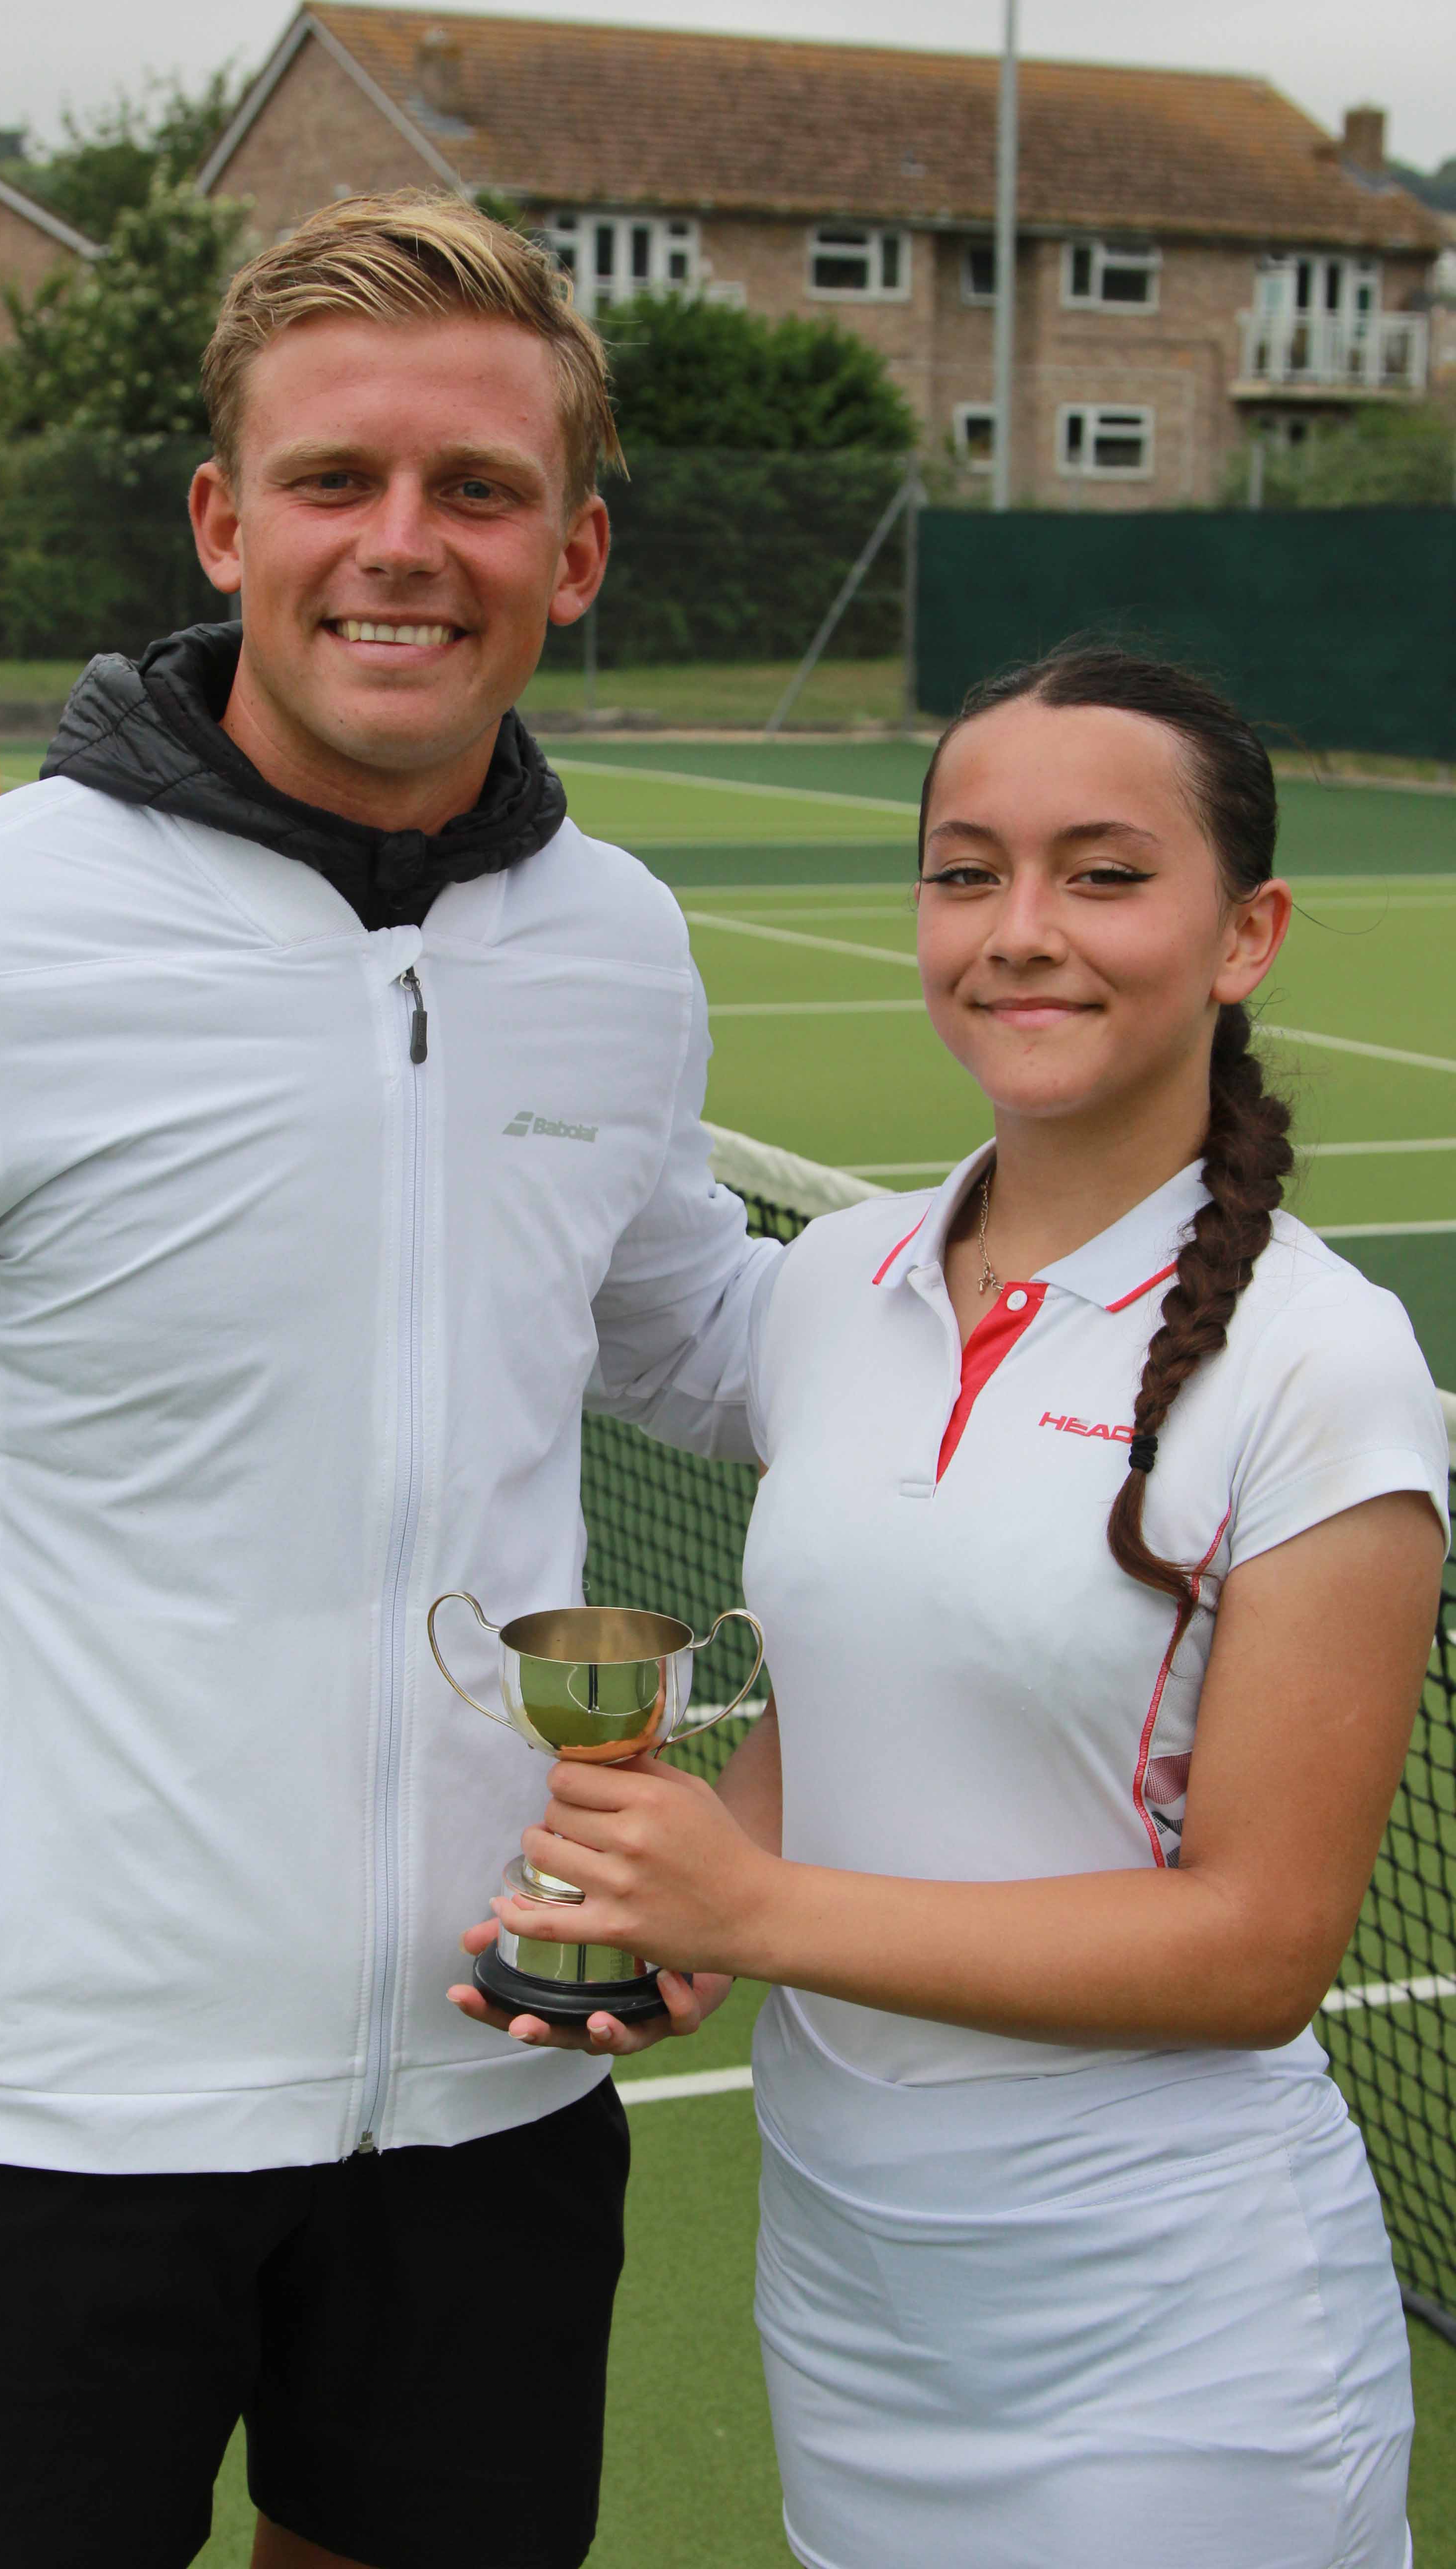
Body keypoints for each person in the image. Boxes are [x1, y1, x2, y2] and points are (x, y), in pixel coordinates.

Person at [0, 192, 769, 2569]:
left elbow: (696, 1330)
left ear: (576, 552)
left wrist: (1137, 1325)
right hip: (50, 2121)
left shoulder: (615, 942)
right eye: (335, 482)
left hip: (501, 2082)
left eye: (479, 491)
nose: (401, 549)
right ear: (225, 520)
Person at [485, 647, 1449, 2568]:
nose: (1021, 934)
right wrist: (695, 1915)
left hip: (1175, 2330)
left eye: (1104, 874)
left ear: (1243, 931)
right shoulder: (834, 1281)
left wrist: (758, 1909)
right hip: (846, 2277)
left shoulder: (1328, 1366)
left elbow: (1261, 1945)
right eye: (966, 872)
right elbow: (859, 1676)